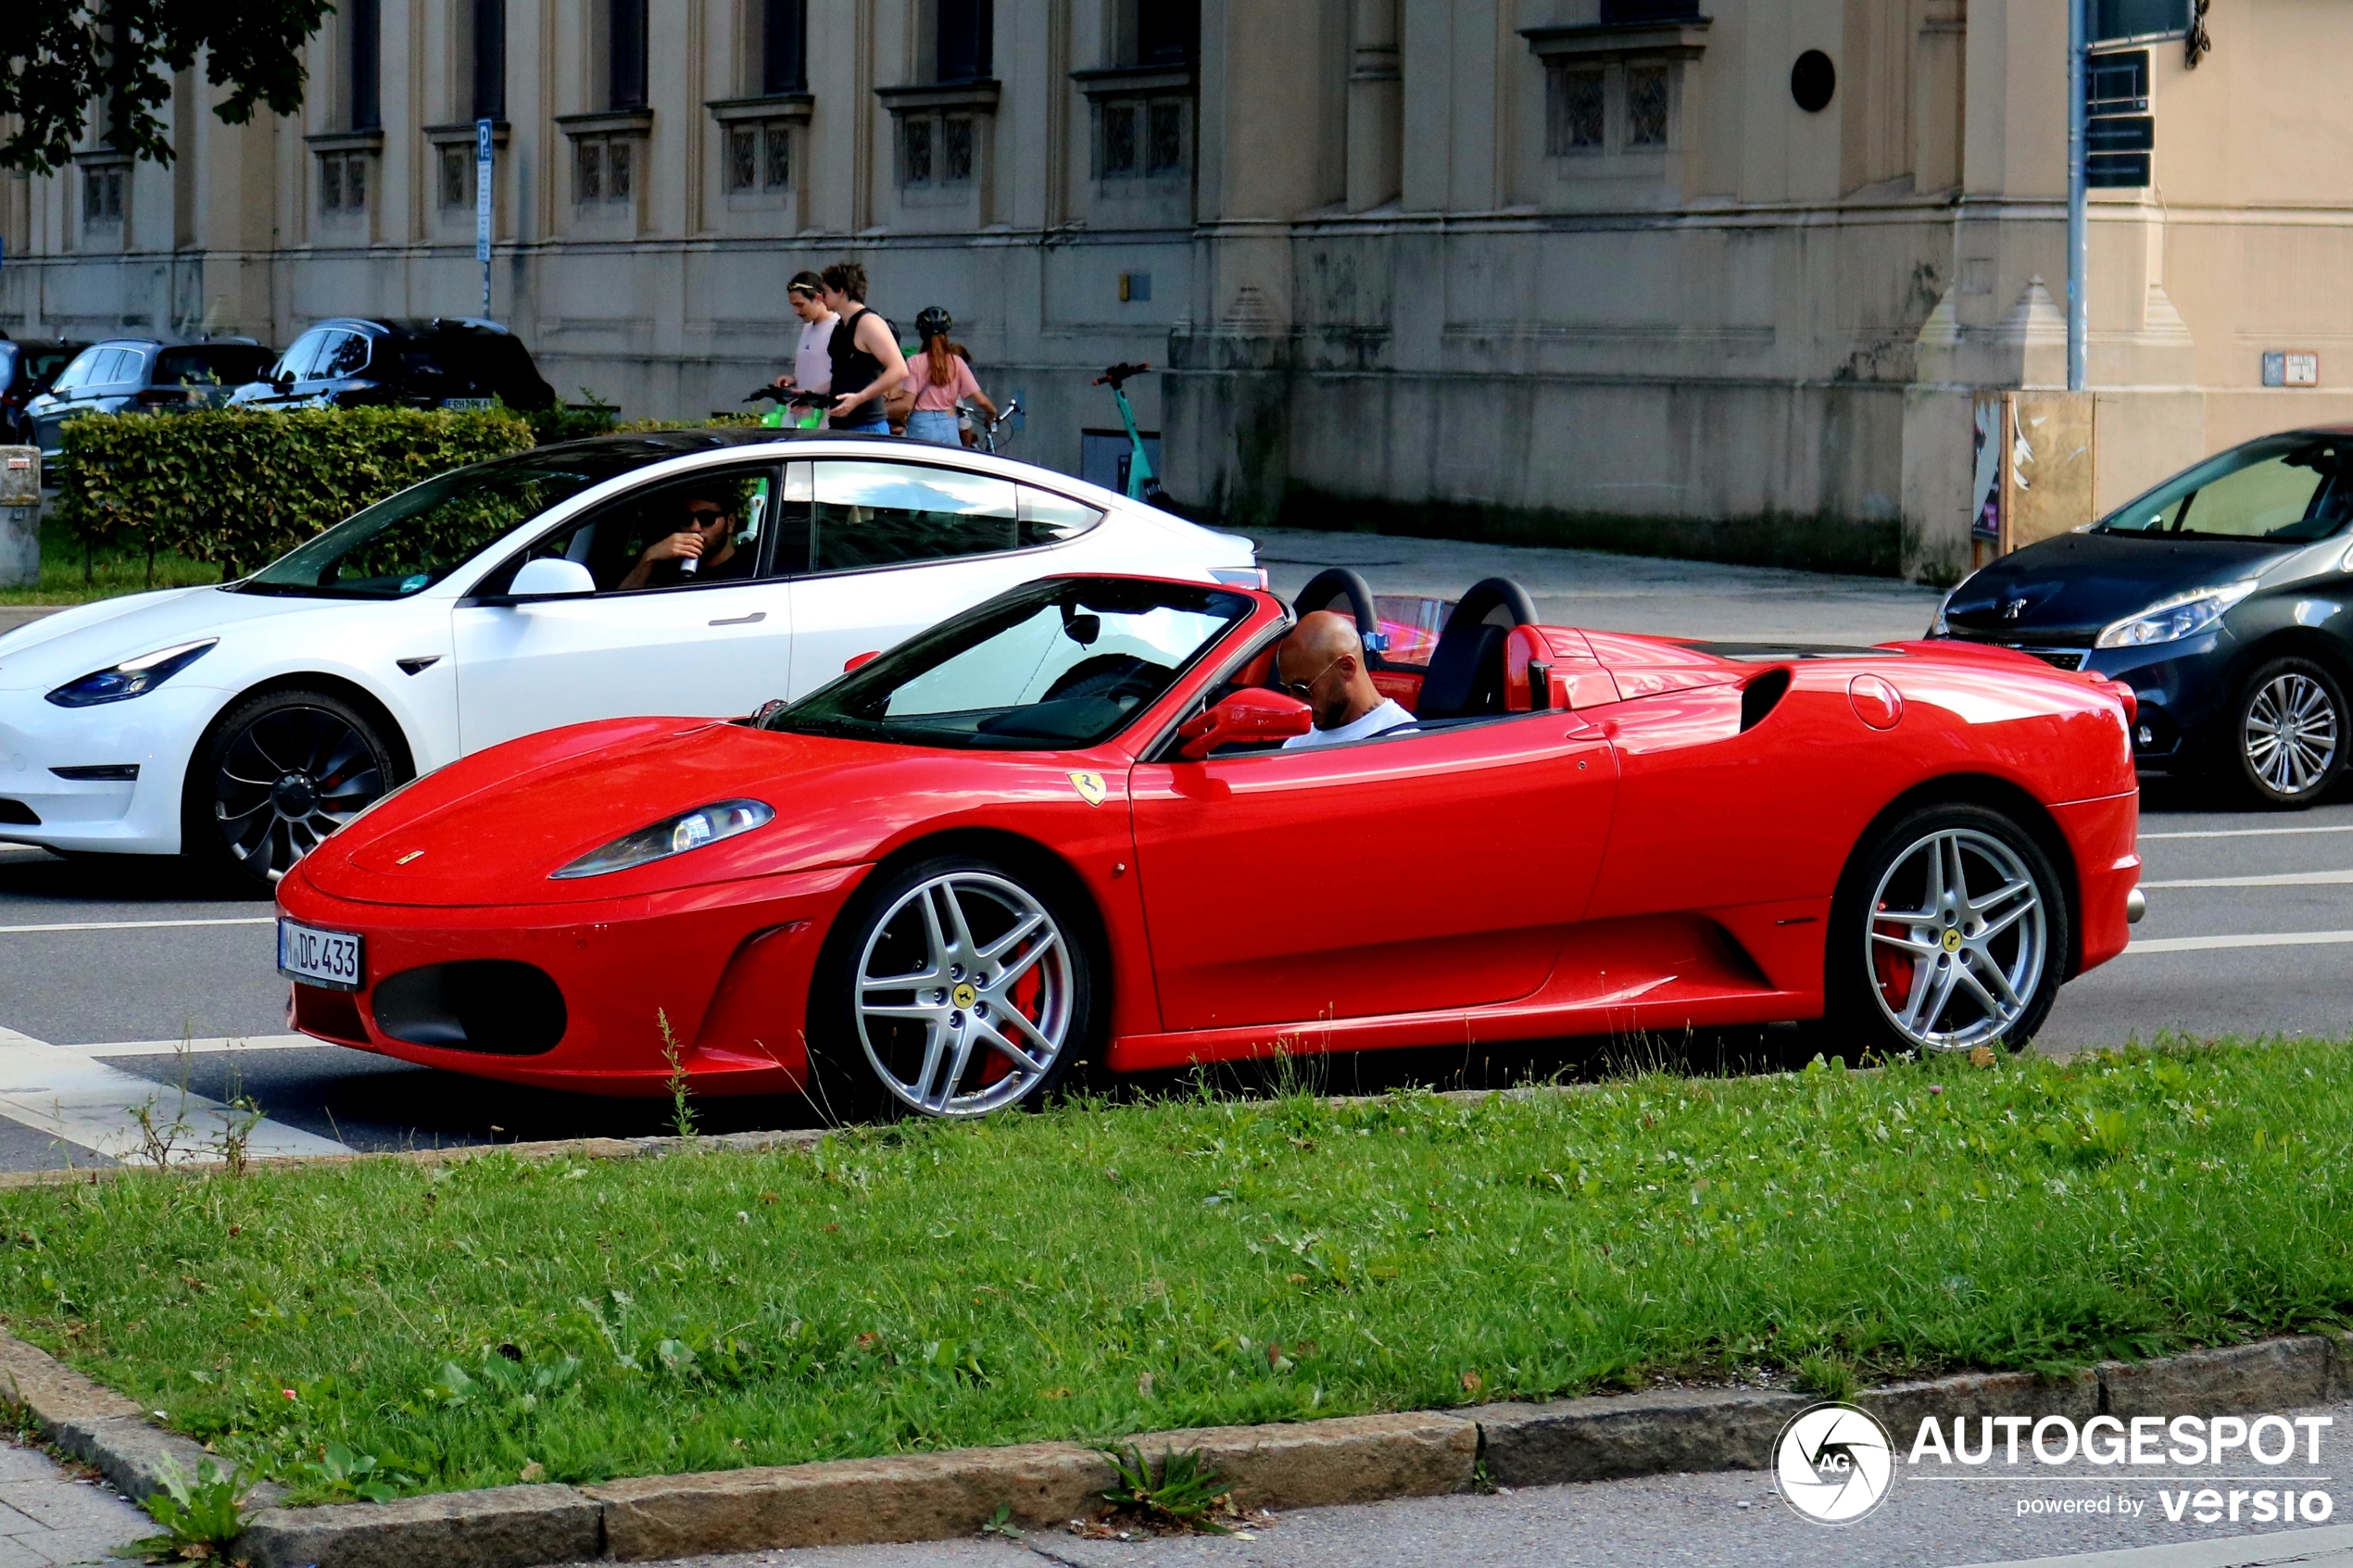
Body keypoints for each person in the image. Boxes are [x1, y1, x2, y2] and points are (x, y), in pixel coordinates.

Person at [1274, 611, 1415, 748]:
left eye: (1302, 688)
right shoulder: (1301, 739)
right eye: (1287, 690)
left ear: (1346, 667)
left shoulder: (1402, 744)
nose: (1296, 702)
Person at [818, 261, 908, 434]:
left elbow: (899, 369)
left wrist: (859, 398)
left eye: (825, 292)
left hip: (866, 424)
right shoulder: (840, 325)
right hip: (841, 424)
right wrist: (809, 394)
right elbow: (846, 375)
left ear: (841, 291)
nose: (821, 298)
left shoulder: (868, 323)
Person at [617, 488, 754, 590]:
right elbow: (618, 606)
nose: (695, 528)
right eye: (686, 518)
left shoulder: (751, 571)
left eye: (707, 518)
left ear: (730, 522)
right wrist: (649, 558)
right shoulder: (666, 568)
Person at [901, 307, 996, 447]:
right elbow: (981, 400)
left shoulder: (914, 362)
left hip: (921, 427)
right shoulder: (957, 362)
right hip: (949, 426)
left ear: (922, 334)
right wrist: (991, 414)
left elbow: (907, 404)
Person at [770, 271, 836, 421]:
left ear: (818, 298)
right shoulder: (807, 327)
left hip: (823, 418)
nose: (796, 312)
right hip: (798, 415)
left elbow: (842, 376)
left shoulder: (837, 328)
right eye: (793, 306)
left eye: (800, 305)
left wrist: (815, 393)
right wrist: (793, 380)